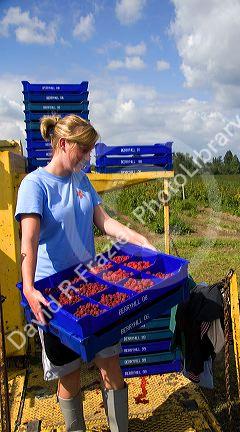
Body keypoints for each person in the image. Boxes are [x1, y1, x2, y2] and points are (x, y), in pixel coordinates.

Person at [15, 114, 156, 432]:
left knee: (110, 365)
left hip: (91, 287)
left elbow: (104, 222)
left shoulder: (82, 181)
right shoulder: (34, 185)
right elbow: (29, 241)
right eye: (85, 149)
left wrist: (138, 239)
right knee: (70, 376)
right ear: (63, 144)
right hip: (56, 298)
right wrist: (28, 287)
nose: (89, 156)